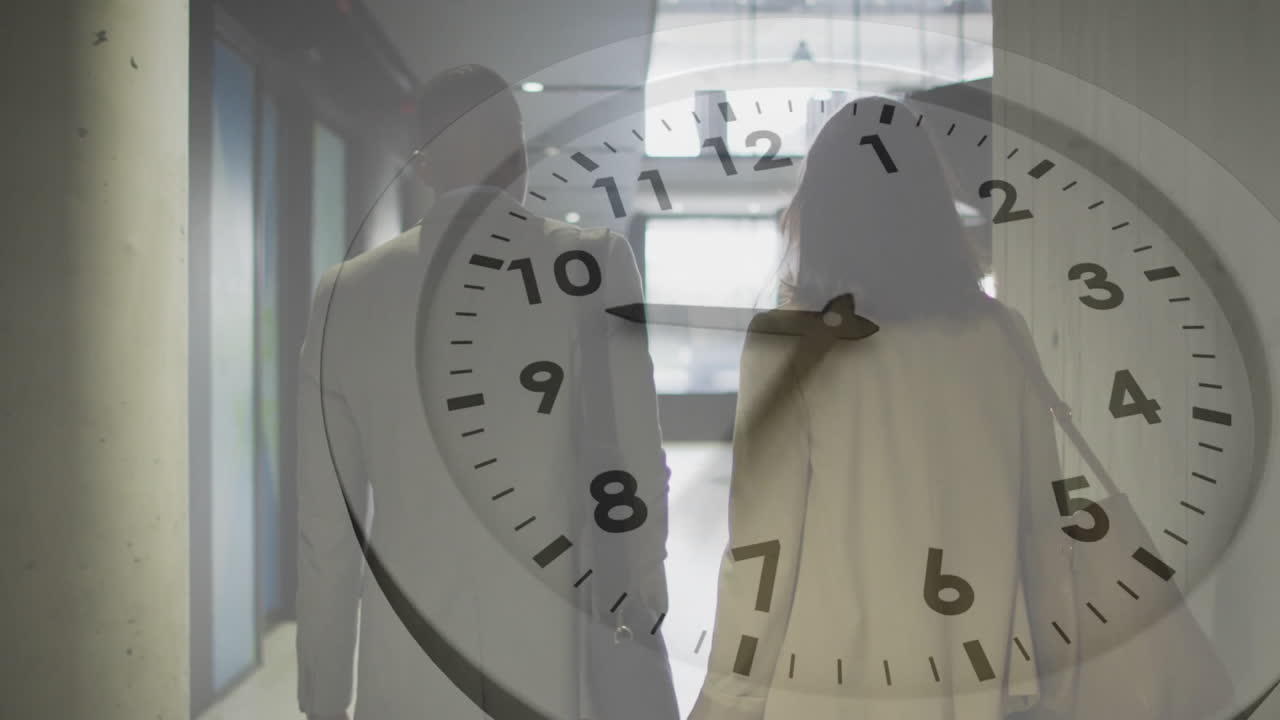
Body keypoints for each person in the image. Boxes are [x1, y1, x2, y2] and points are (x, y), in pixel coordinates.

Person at [294, 64, 676, 720]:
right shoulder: (593, 265)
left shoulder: (344, 296)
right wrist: (640, 612)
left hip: (406, 674)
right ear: (521, 158)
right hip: (556, 670)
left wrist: (323, 698)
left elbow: (324, 534)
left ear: (423, 167)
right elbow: (638, 476)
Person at [689, 97, 1079, 720]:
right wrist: (1058, 682)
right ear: (931, 205)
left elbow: (762, 551)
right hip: (981, 683)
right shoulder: (999, 334)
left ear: (819, 211)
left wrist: (728, 700)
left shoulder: (791, 341)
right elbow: (1043, 523)